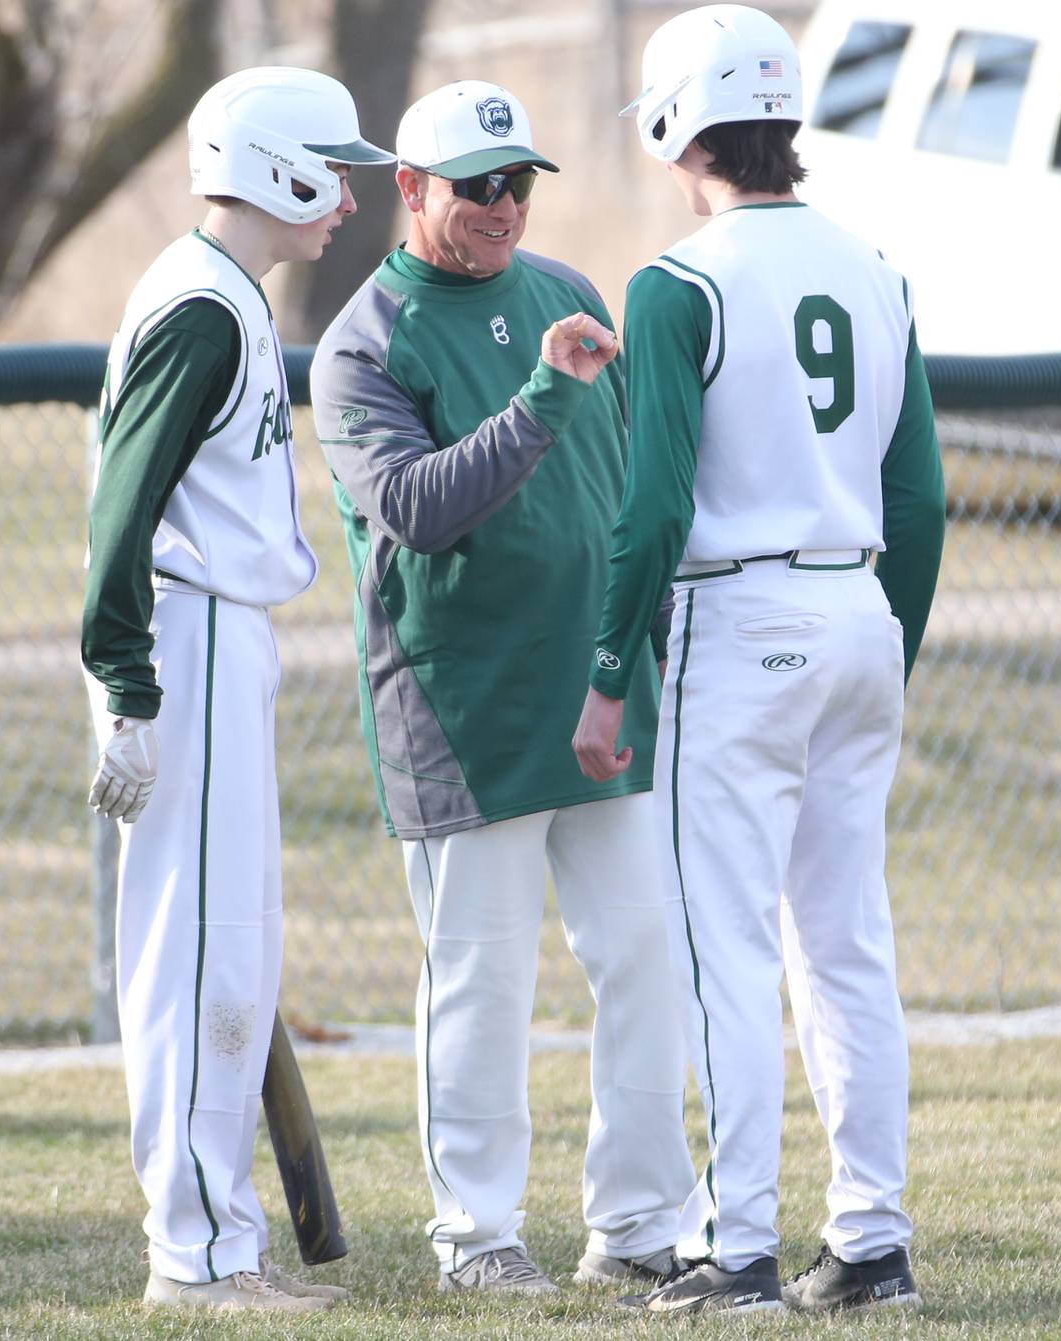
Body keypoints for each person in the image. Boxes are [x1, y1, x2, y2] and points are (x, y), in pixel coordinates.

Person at [572, 3, 945, 1316]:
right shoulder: (874, 267)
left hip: (739, 619)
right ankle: (872, 1239)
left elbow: (652, 504)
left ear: (681, 126)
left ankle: (736, 1248)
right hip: (857, 608)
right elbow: (920, 500)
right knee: (846, 944)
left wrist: (610, 669)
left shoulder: (679, 283)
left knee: (723, 947)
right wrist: (889, 644)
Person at [309, 79, 696, 1296]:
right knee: (482, 982)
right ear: (407, 189)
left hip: (601, 693)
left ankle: (638, 1227)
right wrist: (540, 397)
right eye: (475, 185)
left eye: (517, 181)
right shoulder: (361, 341)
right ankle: (478, 1240)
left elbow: (626, 485)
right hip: (462, 709)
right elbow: (415, 509)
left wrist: (644, 648)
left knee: (647, 960)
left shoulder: (567, 292)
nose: (502, 205)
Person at [81, 66, 393, 1313]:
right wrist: (128, 685)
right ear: (276, 169)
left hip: (220, 635)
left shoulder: (226, 296)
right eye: (334, 174)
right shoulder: (204, 308)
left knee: (232, 950)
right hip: (187, 637)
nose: (348, 201)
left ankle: (222, 1239)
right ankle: (199, 1256)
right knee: (199, 958)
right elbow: (122, 509)